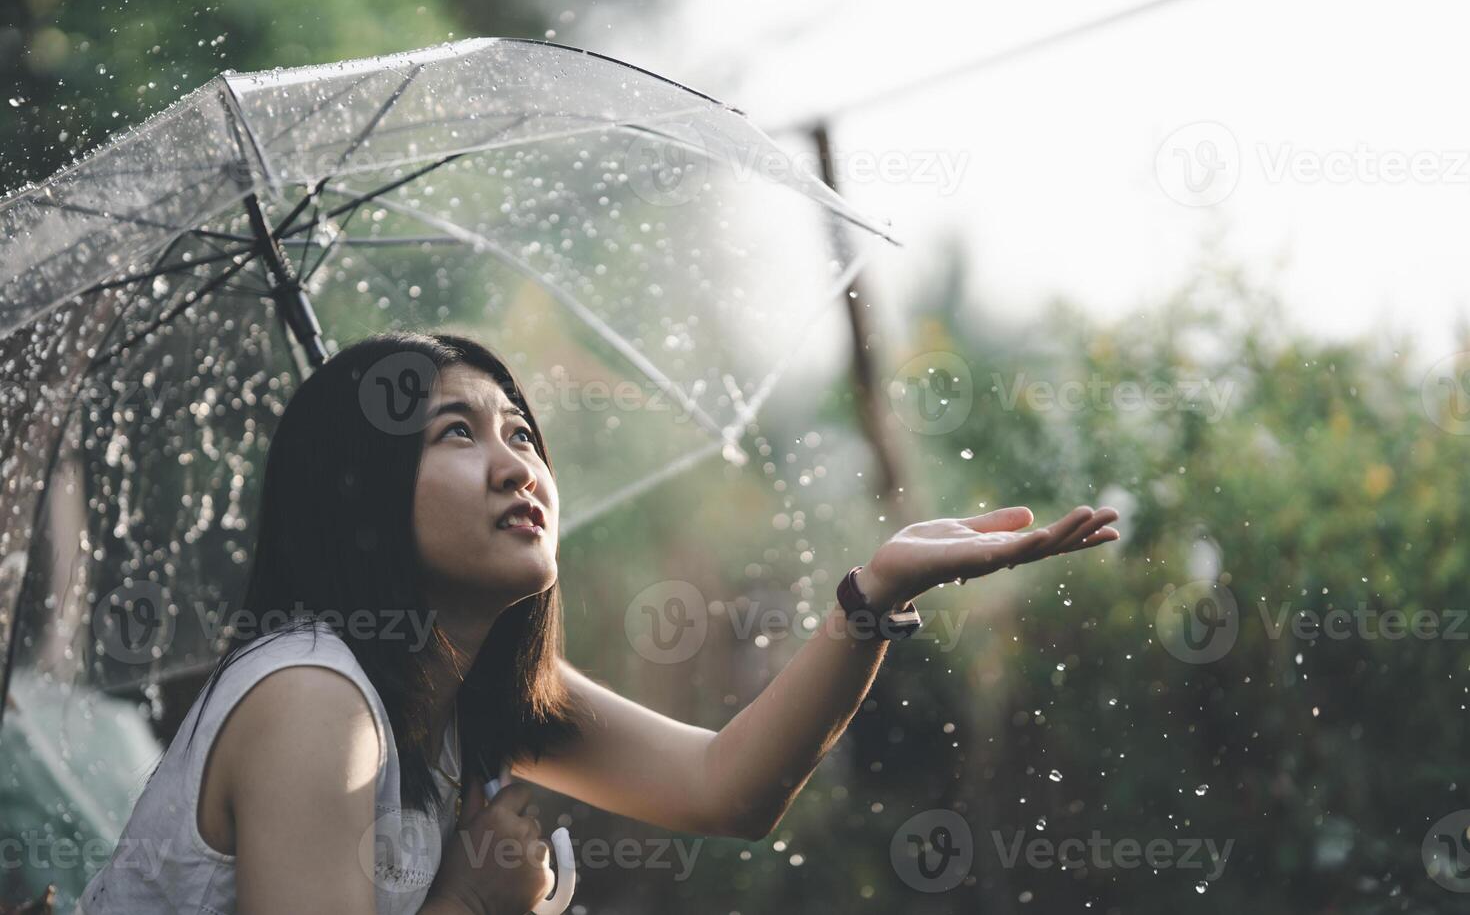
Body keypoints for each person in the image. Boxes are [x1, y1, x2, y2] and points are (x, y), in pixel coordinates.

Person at [74, 330, 1118, 914]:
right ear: (362, 490)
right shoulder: (314, 699)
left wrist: (876, 595)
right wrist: (475, 903)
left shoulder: (479, 691)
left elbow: (727, 785)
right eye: (456, 432)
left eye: (520, 430)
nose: (517, 463)